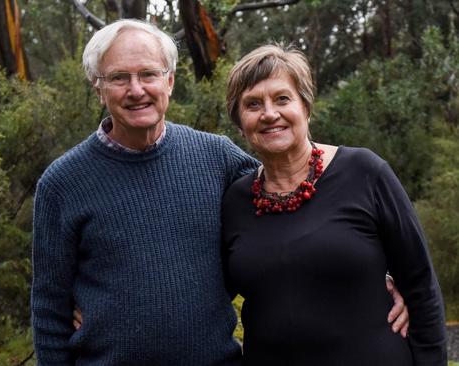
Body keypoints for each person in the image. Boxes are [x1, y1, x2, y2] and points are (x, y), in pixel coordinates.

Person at [31, 20, 409, 365]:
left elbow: (295, 202)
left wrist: (372, 272)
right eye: (119, 78)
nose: (136, 90)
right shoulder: (63, 183)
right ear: (98, 87)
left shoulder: (217, 158)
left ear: (170, 82)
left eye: (148, 74)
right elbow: (49, 309)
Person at [222, 43, 447, 365]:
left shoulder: (365, 172)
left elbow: (421, 287)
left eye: (282, 99)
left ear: (306, 107)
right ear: (240, 122)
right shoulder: (236, 200)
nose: (269, 114)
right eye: (253, 104)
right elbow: (209, 292)